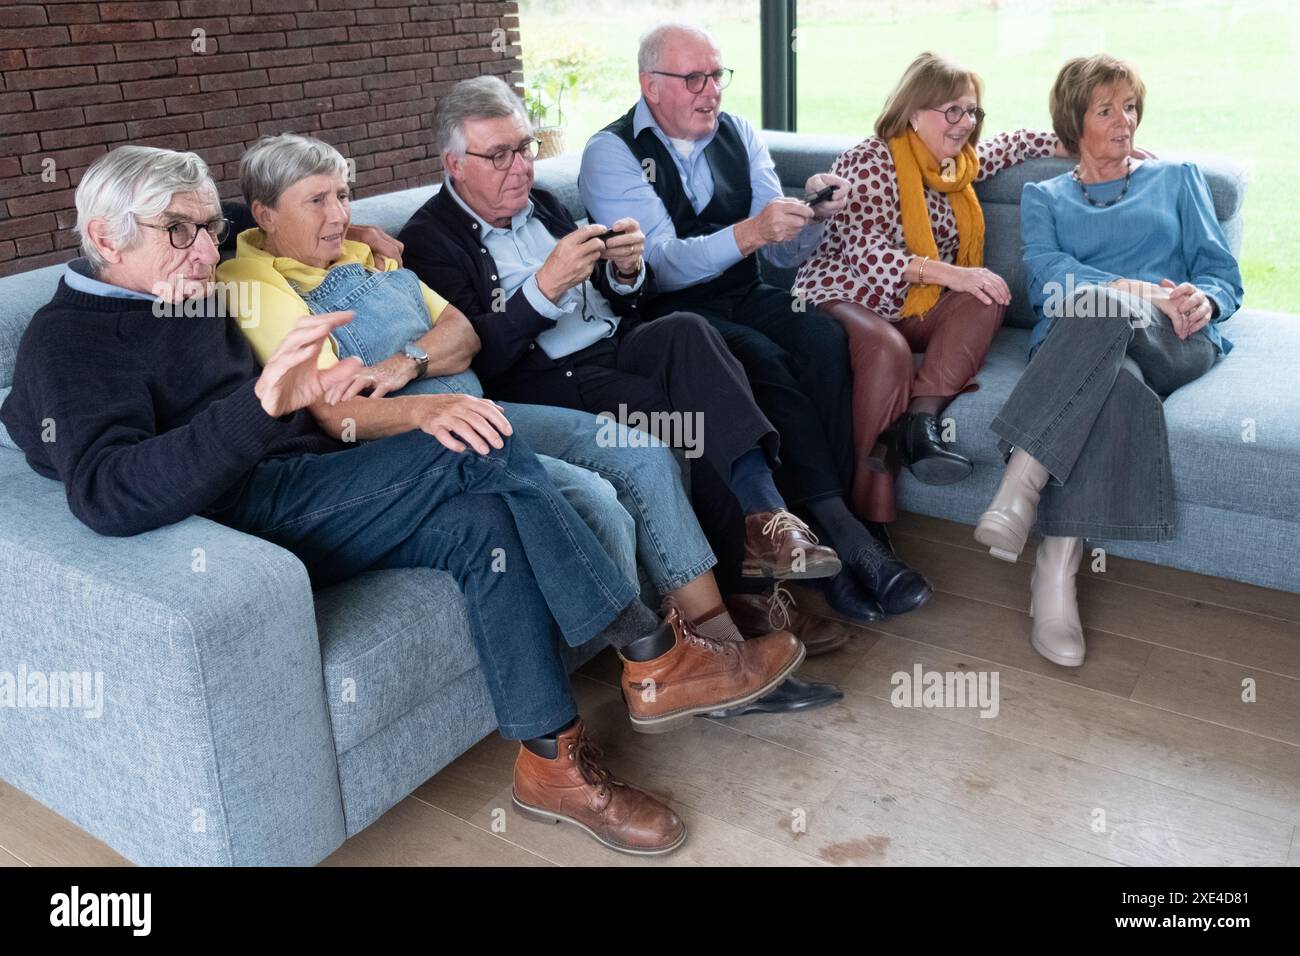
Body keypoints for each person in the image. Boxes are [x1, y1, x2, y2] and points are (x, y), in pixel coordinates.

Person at [0, 145, 812, 856]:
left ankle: (551, 765)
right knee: (479, 441)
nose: (205, 248)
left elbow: (266, 208)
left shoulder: (181, 284)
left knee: (484, 523)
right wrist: (261, 411)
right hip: (244, 519)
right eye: (182, 229)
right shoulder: (69, 342)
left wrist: (350, 235)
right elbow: (106, 496)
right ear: (104, 237)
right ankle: (651, 655)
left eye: (211, 228)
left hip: (304, 477)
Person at [217, 131, 845, 709]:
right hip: (420, 440)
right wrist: (431, 402)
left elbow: (460, 336)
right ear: (266, 214)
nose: (339, 214)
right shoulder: (254, 280)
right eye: (317, 201)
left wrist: (407, 362)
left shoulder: (363, 248)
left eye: (345, 195)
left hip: (480, 407)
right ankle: (666, 668)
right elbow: (336, 412)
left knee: (644, 450)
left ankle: (724, 644)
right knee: (600, 492)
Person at [397, 76, 878, 636]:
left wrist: (625, 271)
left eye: (525, 149)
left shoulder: (543, 206)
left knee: (687, 330)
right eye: (498, 155)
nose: (520, 167)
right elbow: (478, 359)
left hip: (615, 344)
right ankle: (750, 595)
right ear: (454, 164)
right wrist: (544, 288)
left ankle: (767, 517)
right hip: (544, 379)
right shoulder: (430, 242)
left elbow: (621, 300)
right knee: (686, 413)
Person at [581, 23, 932, 618]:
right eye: (693, 78)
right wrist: (752, 230)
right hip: (671, 316)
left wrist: (811, 215)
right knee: (762, 361)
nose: (710, 90)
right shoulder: (610, 153)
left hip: (744, 292)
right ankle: (848, 544)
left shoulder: (739, 133)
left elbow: (778, 254)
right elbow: (661, 264)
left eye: (718, 75)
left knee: (824, 339)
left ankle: (823, 535)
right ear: (651, 85)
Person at [974, 55, 1243, 666]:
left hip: (1174, 337)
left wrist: (1204, 298)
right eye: (1105, 109)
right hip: (1085, 338)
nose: (1124, 121)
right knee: (1114, 378)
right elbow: (1050, 282)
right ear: (1076, 124)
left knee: (1100, 303)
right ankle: (1056, 569)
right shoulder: (1044, 197)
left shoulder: (1177, 178)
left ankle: (1020, 485)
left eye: (1130, 106)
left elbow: (1222, 275)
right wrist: (1139, 289)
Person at [793, 52, 1062, 522]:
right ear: (914, 111)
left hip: (913, 306)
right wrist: (954, 274)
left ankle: (918, 424)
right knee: (889, 349)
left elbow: (1017, 143)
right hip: (843, 296)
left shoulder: (958, 167)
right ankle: (867, 518)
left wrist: (1093, 144)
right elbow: (870, 259)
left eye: (973, 111)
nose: (965, 123)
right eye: (951, 110)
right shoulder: (869, 161)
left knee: (989, 293)